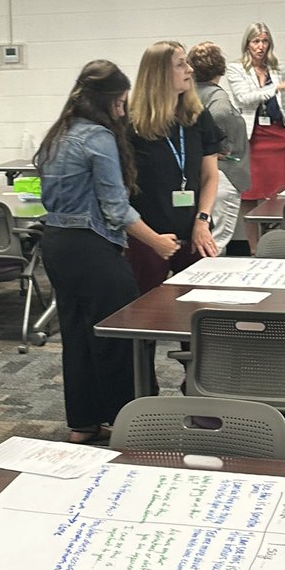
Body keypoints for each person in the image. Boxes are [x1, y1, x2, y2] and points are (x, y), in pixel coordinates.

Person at [36, 60, 179, 444]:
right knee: (121, 334)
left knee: (78, 334)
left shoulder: (58, 134)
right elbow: (116, 209)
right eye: (119, 104)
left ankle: (83, 423)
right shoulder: (97, 137)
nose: (122, 111)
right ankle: (133, 421)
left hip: (56, 243)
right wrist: (157, 242)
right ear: (106, 102)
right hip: (90, 245)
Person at [127, 40, 220, 293]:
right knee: (143, 311)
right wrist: (151, 239)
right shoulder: (132, 124)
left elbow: (210, 175)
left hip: (193, 229)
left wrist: (202, 220)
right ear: (158, 74)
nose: (190, 69)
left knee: (204, 301)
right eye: (181, 65)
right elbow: (118, 190)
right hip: (146, 235)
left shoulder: (197, 117)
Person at [226, 22, 285, 251]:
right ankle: (253, 247)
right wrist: (277, 88)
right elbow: (244, 98)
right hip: (253, 137)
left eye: (265, 41)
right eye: (256, 41)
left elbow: (284, 104)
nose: (260, 46)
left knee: (279, 194)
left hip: (276, 136)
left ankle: (277, 244)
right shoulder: (236, 68)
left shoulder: (277, 69)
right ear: (247, 44)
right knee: (250, 194)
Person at [187, 41, 250, 256]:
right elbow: (220, 116)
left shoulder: (189, 93)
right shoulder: (218, 98)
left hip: (202, 177)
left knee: (205, 239)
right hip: (223, 174)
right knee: (215, 243)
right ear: (220, 67)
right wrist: (214, 145)